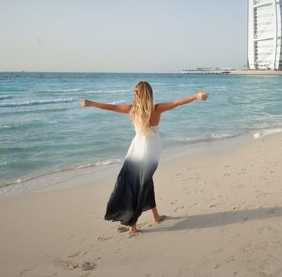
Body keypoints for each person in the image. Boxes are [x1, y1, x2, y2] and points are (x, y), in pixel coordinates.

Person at [80, 81, 208, 234]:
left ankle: (147, 219)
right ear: (150, 94)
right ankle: (137, 223)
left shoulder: (132, 110)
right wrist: (196, 96)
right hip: (151, 153)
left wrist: (91, 103)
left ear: (137, 95)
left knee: (140, 184)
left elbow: (111, 107)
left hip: (136, 151)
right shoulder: (157, 109)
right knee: (143, 184)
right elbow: (177, 103)